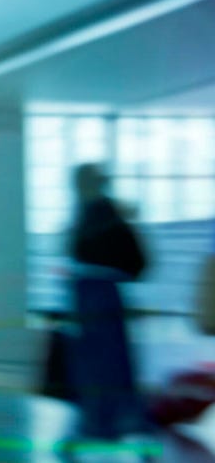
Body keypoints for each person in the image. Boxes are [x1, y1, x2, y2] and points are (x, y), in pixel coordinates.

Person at [62, 163, 151, 451]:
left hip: (93, 301)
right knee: (111, 367)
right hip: (102, 300)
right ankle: (114, 426)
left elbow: (79, 252)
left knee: (97, 368)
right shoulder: (107, 214)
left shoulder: (92, 217)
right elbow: (138, 263)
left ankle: (99, 425)